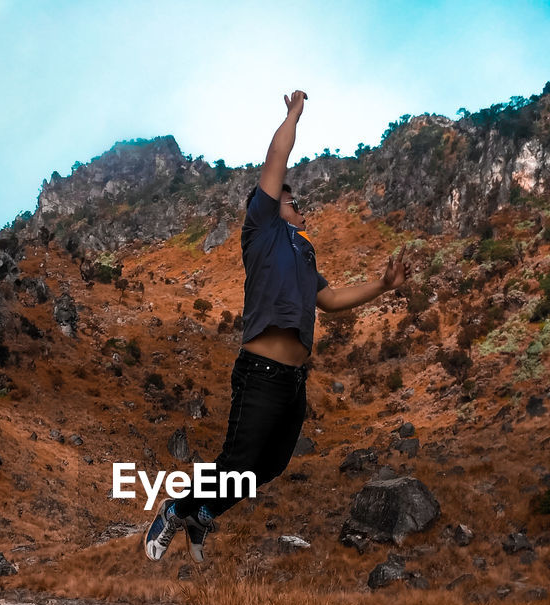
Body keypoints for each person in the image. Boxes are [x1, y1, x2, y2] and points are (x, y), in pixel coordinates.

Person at [144, 89, 407, 563]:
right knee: (238, 463)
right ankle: (175, 509)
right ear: (271, 205)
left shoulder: (304, 253)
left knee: (269, 466)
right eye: (292, 199)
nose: (299, 205)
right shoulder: (262, 230)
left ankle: (202, 514)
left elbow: (329, 300)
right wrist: (294, 115)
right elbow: (277, 158)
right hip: (261, 373)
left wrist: (382, 287)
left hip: (293, 381)